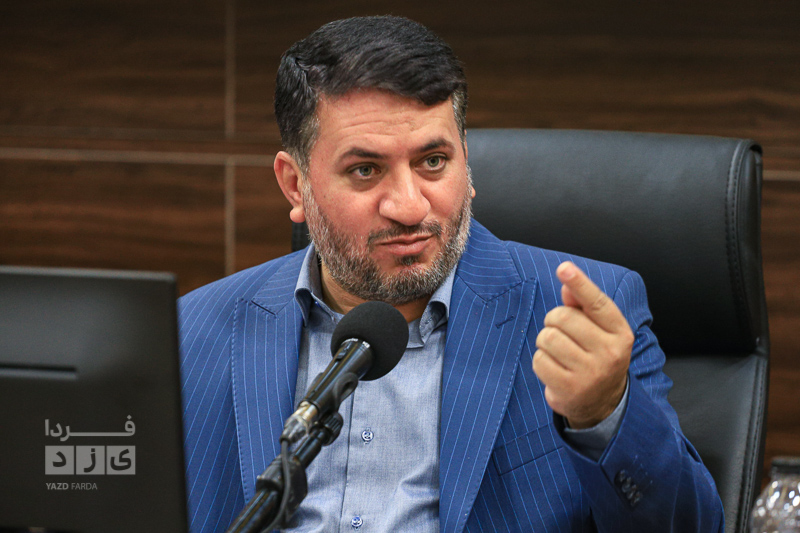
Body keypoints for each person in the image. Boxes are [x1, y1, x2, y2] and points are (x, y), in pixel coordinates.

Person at [178, 15, 724, 533]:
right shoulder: (189, 334)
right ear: (295, 185)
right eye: (366, 170)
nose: (410, 206)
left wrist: (605, 416)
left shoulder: (578, 314)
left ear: (466, 160)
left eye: (433, 162)